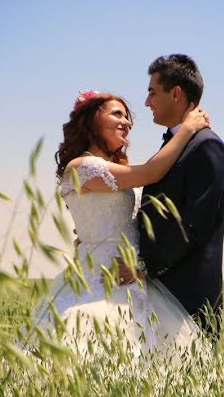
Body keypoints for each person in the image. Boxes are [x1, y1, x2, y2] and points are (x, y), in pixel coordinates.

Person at [27, 89, 211, 361]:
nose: (126, 122)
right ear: (90, 122)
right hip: (101, 281)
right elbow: (151, 172)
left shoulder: (114, 168)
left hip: (137, 278)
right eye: (117, 114)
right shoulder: (80, 168)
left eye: (128, 118)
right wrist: (187, 129)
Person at [115, 55, 224, 340]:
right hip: (157, 293)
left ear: (176, 93)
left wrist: (143, 266)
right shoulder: (177, 145)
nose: (146, 102)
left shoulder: (207, 146)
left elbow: (194, 225)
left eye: (152, 92)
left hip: (187, 297)